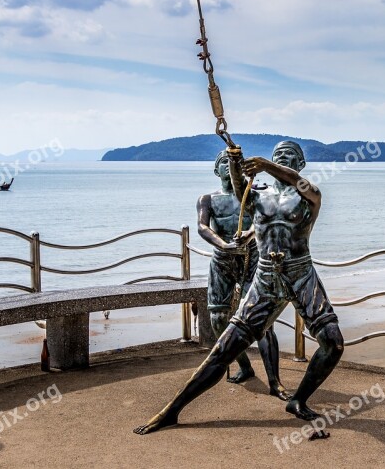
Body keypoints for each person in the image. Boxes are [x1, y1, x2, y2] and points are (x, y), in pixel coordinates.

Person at [134, 141, 343, 435]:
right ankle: (171, 410)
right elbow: (238, 184)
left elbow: (301, 185)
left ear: (301, 163)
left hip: (301, 273)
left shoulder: (308, 193)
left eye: (290, 155)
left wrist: (266, 165)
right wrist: (235, 160)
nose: (283, 157)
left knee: (333, 343)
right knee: (224, 349)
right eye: (277, 154)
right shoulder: (258, 195)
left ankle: (298, 400)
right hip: (266, 277)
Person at [196, 150, 288, 399]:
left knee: (262, 323)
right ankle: (245, 366)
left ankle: (275, 381)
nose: (227, 166)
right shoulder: (207, 199)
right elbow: (202, 227)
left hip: (252, 258)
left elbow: (262, 218)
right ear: (216, 171)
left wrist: (247, 234)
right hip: (223, 259)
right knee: (218, 318)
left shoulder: (254, 193)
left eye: (231, 162)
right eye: (222, 163)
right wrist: (223, 245)